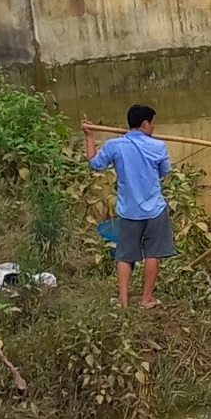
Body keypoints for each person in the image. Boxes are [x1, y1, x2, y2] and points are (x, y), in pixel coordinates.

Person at [83, 104, 175, 309]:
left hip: (129, 211)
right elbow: (164, 172)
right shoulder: (158, 146)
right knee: (152, 254)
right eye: (152, 123)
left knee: (124, 256)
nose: (154, 128)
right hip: (154, 210)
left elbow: (94, 163)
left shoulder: (114, 145)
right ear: (144, 124)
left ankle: (123, 301)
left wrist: (89, 137)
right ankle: (146, 299)